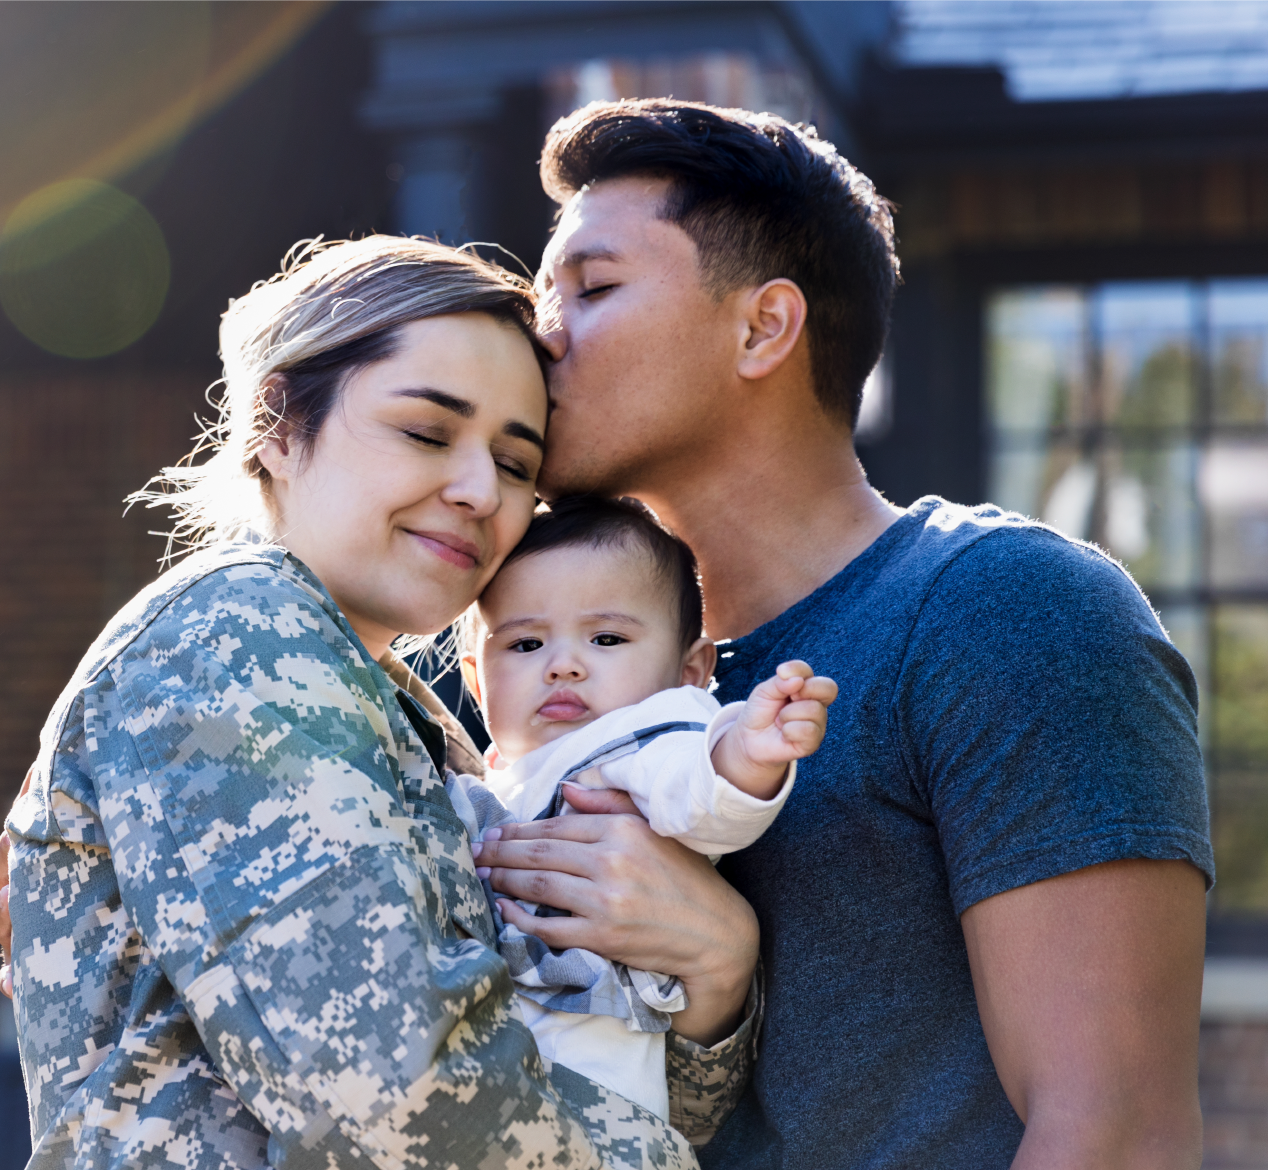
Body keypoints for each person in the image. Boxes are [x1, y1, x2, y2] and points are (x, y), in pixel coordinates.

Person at [470, 99, 1212, 1168]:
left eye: (591, 288)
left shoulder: (1005, 613)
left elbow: (1118, 1135)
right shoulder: (532, 665)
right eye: (546, 294)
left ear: (764, 327)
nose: (541, 334)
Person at [0, 235, 758, 1169]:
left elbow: (575, 1074)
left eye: (517, 464)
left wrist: (716, 973)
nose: (481, 491)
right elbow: (404, 1107)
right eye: (426, 433)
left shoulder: (398, 709)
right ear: (278, 424)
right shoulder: (237, 637)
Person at [443, 493, 836, 1123]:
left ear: (689, 672)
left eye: (605, 638)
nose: (563, 666)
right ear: (476, 677)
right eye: (524, 645)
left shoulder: (638, 737)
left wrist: (746, 753)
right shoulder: (496, 775)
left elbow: (697, 796)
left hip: (594, 1084)